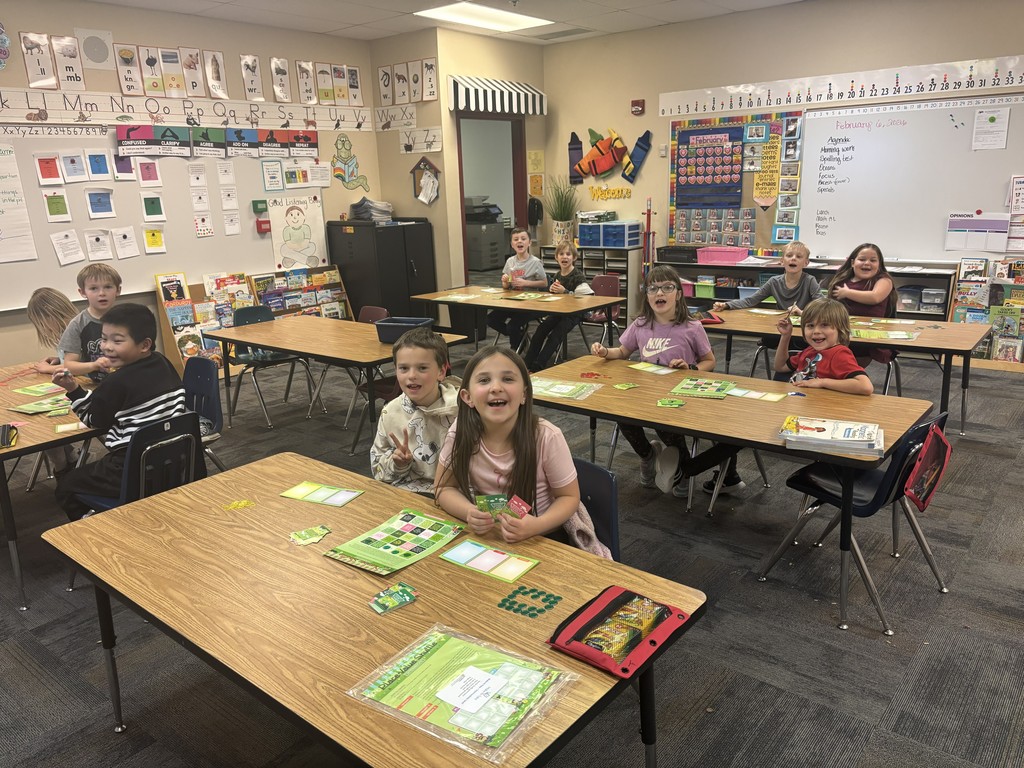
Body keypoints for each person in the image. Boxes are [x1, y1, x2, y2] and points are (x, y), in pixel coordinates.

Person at [434, 347, 610, 558]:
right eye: (484, 381)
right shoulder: (459, 432)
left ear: (524, 394)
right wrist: (468, 512)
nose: (496, 387)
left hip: (543, 536)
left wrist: (536, 525)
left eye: (508, 379)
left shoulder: (547, 436)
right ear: (467, 397)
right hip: (490, 536)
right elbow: (443, 487)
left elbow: (569, 497)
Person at [590, 265, 740, 499]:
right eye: (653, 289)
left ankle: (682, 469)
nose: (659, 293)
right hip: (645, 393)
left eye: (667, 288)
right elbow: (622, 351)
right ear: (647, 295)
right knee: (623, 416)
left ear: (678, 294)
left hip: (679, 397)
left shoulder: (692, 327)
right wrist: (604, 352)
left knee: (665, 425)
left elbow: (709, 361)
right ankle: (648, 456)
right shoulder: (640, 324)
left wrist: (690, 369)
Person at [52, 303, 187, 521]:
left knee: (66, 486)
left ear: (144, 345)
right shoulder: (163, 361)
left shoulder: (117, 381)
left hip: (131, 467)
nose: (107, 347)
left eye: (117, 340)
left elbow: (94, 421)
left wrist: (73, 389)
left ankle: (95, 528)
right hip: (175, 459)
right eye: (104, 338)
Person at [370, 327, 460, 496]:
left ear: (441, 372)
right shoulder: (391, 412)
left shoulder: (461, 409)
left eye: (422, 368)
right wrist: (398, 463)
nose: (411, 375)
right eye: (403, 368)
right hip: (408, 492)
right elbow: (377, 471)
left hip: (456, 493)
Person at [773, 297, 873, 395]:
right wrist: (785, 336)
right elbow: (780, 367)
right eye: (810, 326)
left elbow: (865, 386)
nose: (816, 331)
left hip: (823, 407)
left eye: (824, 325)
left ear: (840, 329)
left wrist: (822, 382)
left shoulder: (839, 354)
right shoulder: (810, 351)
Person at [827, 242, 898, 366]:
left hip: (870, 336)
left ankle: (850, 378)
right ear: (853, 262)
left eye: (873, 260)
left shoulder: (884, 280)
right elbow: (829, 307)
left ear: (879, 264)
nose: (867, 263)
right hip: (843, 331)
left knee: (845, 357)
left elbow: (875, 297)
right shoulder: (842, 280)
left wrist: (848, 293)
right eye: (862, 259)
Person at [523, 240, 588, 372]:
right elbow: (557, 297)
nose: (565, 257)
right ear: (556, 257)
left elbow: (585, 299)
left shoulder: (578, 276)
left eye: (568, 254)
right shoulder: (557, 275)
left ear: (574, 258)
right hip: (559, 312)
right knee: (540, 331)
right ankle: (526, 364)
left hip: (574, 313)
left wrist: (565, 292)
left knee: (555, 335)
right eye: (561, 254)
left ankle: (538, 366)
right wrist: (551, 291)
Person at [57, 263, 122, 381]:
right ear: (82, 292)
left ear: (118, 290)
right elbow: (69, 365)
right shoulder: (78, 324)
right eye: (93, 288)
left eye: (108, 287)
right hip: (97, 385)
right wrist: (94, 365)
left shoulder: (129, 319)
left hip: (129, 382)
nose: (102, 293)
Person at [486, 228, 546, 352]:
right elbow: (506, 287)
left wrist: (526, 283)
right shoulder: (510, 261)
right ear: (512, 244)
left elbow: (544, 283)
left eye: (523, 239)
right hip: (513, 302)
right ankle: (518, 335)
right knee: (491, 319)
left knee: (512, 325)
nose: (520, 242)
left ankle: (515, 349)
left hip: (531, 305)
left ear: (529, 242)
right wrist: (505, 281)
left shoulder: (535, 262)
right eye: (516, 239)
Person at [26, 287, 79, 375]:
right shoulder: (65, 332)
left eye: (42, 324)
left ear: (51, 315)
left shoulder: (76, 332)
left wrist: (49, 369)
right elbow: (77, 359)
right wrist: (59, 360)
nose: (43, 329)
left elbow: (77, 367)